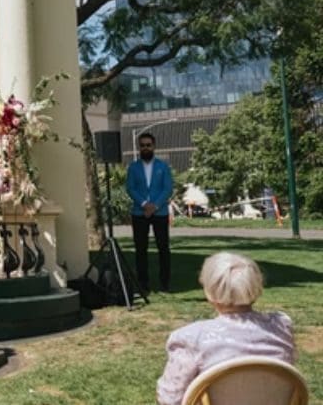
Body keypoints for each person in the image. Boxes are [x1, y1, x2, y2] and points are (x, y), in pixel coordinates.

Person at [156, 252, 296, 405]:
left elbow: (170, 398)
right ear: (256, 286)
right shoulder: (281, 327)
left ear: (209, 291)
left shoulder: (191, 338)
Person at [126, 132, 173, 292]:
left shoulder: (163, 166)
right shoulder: (133, 167)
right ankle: (143, 282)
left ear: (154, 146)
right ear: (139, 147)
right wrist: (145, 204)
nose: (145, 148)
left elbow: (167, 188)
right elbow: (130, 188)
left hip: (160, 212)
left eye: (148, 145)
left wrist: (155, 206)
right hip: (140, 213)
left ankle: (165, 283)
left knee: (163, 248)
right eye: (142, 145)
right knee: (140, 249)